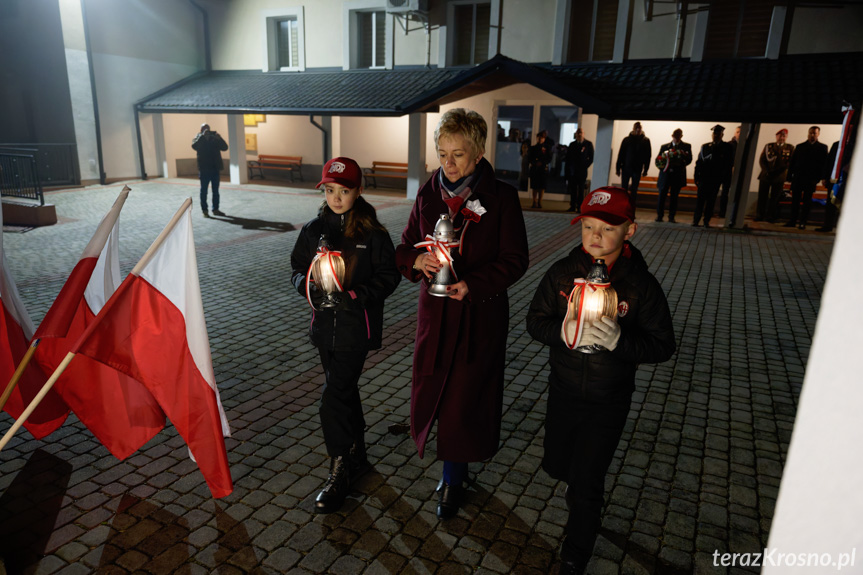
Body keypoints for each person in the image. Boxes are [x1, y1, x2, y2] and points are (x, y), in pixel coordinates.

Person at [526, 186, 675, 575]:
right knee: (559, 464)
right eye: (588, 226)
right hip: (564, 390)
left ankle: (576, 553)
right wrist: (563, 331)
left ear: (630, 231)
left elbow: (662, 344)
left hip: (608, 399)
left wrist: (620, 341)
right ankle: (578, 495)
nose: (595, 236)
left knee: (588, 479)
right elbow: (534, 320)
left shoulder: (640, 285)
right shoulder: (562, 272)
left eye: (607, 229)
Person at [395, 108, 529, 519]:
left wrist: (474, 283)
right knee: (436, 392)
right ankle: (453, 471)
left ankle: (453, 479)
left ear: (477, 153)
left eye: (458, 154)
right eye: (442, 152)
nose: (448, 163)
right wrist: (416, 264)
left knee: (463, 402)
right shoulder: (428, 193)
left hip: (478, 319)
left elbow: (515, 259)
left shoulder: (501, 197)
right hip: (435, 318)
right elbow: (405, 247)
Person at [290, 157, 401, 514]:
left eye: (344, 191)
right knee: (344, 389)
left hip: (357, 328)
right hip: (324, 329)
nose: (336, 197)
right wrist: (308, 287)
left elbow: (389, 277)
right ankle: (357, 450)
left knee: (333, 396)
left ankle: (338, 470)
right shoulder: (312, 230)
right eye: (330, 190)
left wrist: (353, 297)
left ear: (358, 190)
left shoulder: (374, 234)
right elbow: (296, 268)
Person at [785, 126, 828, 229]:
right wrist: (789, 175)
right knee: (795, 200)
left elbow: (824, 164)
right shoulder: (800, 146)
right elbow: (793, 162)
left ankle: (803, 222)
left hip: (811, 179)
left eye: (814, 133)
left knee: (807, 202)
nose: (812, 135)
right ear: (808, 133)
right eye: (811, 133)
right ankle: (792, 221)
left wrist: (820, 178)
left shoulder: (822, 147)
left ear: (818, 134)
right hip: (798, 177)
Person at [692, 125, 734, 227]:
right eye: (714, 134)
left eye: (718, 134)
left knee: (711, 201)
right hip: (703, 178)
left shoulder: (727, 147)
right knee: (700, 201)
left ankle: (706, 220)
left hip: (715, 179)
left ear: (722, 135)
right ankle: (696, 220)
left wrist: (723, 178)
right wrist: (696, 176)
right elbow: (699, 162)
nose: (715, 136)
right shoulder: (705, 147)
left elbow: (728, 164)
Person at [755, 128, 794, 222]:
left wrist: (777, 171)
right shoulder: (769, 146)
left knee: (775, 198)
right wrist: (767, 170)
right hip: (766, 175)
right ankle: (759, 215)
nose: (782, 137)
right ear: (776, 136)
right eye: (780, 135)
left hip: (779, 176)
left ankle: (771, 216)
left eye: (784, 136)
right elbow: (762, 160)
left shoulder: (790, 148)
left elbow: (789, 162)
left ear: (786, 137)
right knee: (762, 197)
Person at [654, 128, 692, 223]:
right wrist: (664, 167)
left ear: (681, 136)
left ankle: (671, 216)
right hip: (666, 175)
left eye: (679, 137)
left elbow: (689, 159)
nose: (677, 139)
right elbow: (658, 160)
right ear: (672, 136)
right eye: (675, 137)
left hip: (677, 175)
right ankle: (659, 216)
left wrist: (680, 161)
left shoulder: (686, 146)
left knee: (674, 197)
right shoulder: (665, 147)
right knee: (662, 196)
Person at [192, 123, 228, 218]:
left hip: (215, 168)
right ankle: (205, 210)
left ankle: (215, 209)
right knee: (204, 191)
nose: (206, 131)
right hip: (204, 169)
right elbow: (194, 146)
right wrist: (202, 137)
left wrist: (219, 138)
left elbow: (225, 148)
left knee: (215, 191)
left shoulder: (214, 138)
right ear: (201, 130)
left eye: (207, 129)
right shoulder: (198, 138)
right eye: (204, 129)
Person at [616, 122, 652, 208]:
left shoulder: (645, 140)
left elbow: (648, 156)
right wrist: (618, 168)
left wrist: (646, 169)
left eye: (639, 128)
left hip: (637, 168)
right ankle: (623, 207)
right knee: (624, 189)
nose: (638, 130)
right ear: (634, 129)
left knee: (634, 190)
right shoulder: (627, 140)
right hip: (626, 167)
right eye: (637, 128)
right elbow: (621, 154)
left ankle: (631, 208)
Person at [565, 129, 594, 212]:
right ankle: (572, 206)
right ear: (576, 135)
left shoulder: (588, 144)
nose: (579, 135)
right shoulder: (572, 144)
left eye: (581, 133)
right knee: (573, 189)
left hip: (582, 170)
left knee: (581, 189)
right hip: (573, 170)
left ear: (584, 134)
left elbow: (591, 158)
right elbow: (568, 158)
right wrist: (569, 169)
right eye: (578, 133)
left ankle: (580, 207)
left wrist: (585, 165)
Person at [717, 125, 741, 218]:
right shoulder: (729, 145)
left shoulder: (745, 145)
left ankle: (734, 213)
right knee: (725, 193)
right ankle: (723, 212)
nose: (739, 134)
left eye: (741, 132)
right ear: (735, 133)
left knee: (737, 193)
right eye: (737, 132)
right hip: (727, 173)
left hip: (739, 173)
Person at [528, 130, 553, 208]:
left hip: (543, 169)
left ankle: (540, 201)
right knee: (535, 186)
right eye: (538, 138)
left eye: (541, 138)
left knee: (542, 186)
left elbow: (549, 158)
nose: (540, 139)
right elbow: (529, 158)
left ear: (544, 139)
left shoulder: (547, 148)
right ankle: (534, 201)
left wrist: (542, 162)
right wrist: (535, 163)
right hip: (535, 169)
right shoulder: (533, 148)